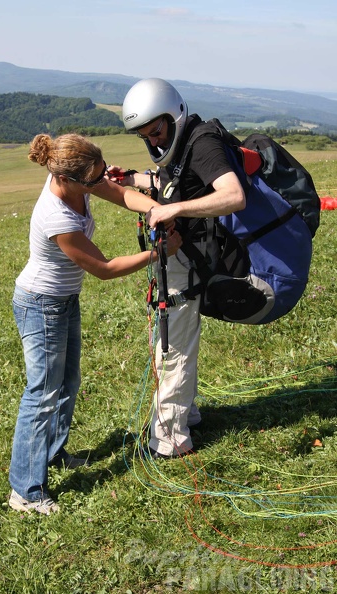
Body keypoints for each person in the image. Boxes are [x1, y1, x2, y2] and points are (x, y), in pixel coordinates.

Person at [8, 132, 182, 515]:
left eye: (101, 174)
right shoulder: (57, 215)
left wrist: (155, 209)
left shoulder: (76, 174)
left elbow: (120, 193)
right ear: (68, 180)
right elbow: (103, 268)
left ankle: (52, 454)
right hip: (42, 305)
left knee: (67, 382)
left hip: (63, 301)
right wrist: (157, 253)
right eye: (93, 179)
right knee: (41, 394)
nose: (100, 182)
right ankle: (26, 490)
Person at [108, 78, 246, 460]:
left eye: (156, 131)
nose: (153, 142)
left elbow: (233, 195)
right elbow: (173, 185)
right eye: (144, 136)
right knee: (171, 341)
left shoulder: (201, 144)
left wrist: (175, 211)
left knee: (174, 346)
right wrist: (131, 179)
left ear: (175, 114)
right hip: (179, 254)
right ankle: (187, 412)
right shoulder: (180, 145)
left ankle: (171, 439)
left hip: (188, 257)